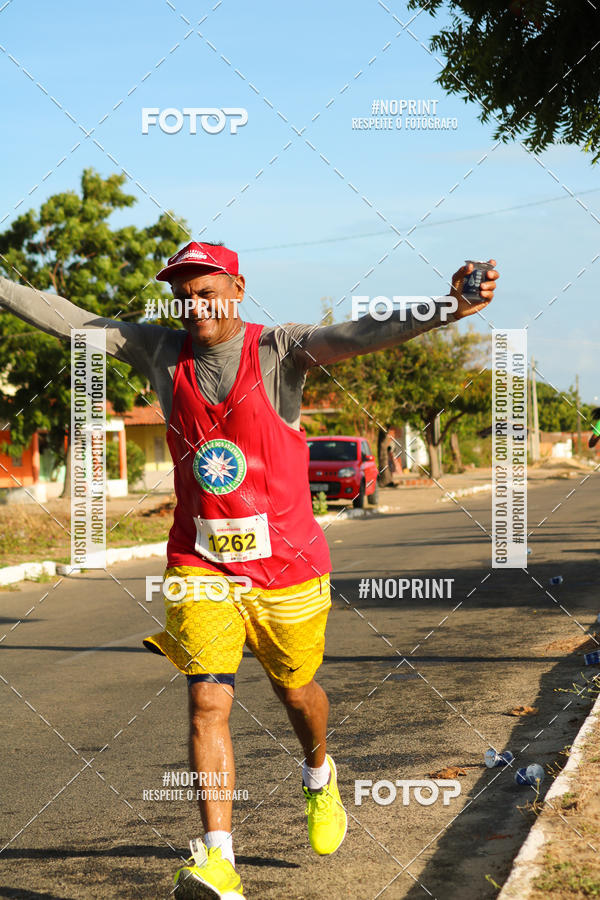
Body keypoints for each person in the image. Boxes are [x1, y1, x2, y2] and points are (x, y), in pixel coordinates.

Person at [0, 247, 498, 899]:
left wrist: (448, 306)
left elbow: (361, 332)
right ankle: (218, 860)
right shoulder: (158, 351)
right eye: (184, 294)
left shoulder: (281, 350)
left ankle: (319, 772)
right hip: (199, 559)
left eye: (207, 289)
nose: (195, 304)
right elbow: (68, 317)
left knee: (298, 692)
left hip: (286, 567)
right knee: (207, 698)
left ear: (237, 288)